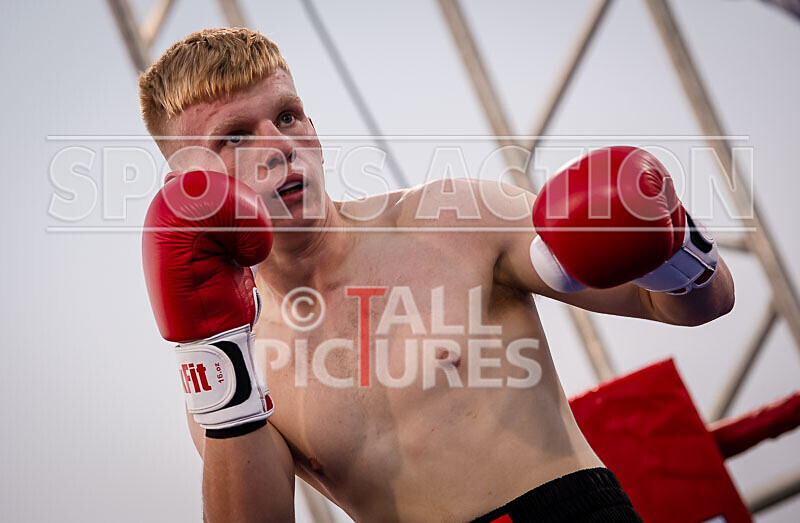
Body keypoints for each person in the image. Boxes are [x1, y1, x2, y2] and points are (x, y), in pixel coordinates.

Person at [139, 28, 734, 522]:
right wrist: (212, 353)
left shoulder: (453, 218)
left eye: (288, 116)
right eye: (235, 137)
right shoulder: (228, 369)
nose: (279, 147)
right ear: (186, 185)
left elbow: (701, 303)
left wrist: (674, 241)